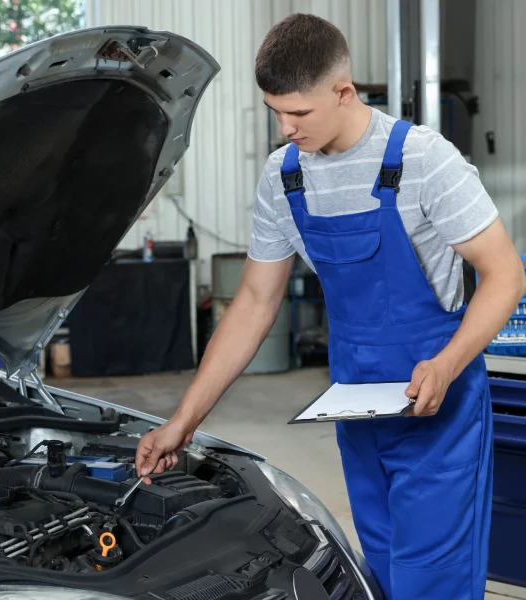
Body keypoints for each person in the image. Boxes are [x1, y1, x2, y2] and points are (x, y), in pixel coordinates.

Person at [135, 13, 525, 600]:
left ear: (343, 92)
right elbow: (255, 303)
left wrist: (446, 364)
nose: (285, 127)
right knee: (382, 571)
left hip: (436, 407)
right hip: (357, 408)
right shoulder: (283, 178)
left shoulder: (424, 161)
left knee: (433, 581)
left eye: (299, 112)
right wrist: (183, 422)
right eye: (275, 111)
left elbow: (505, 276)